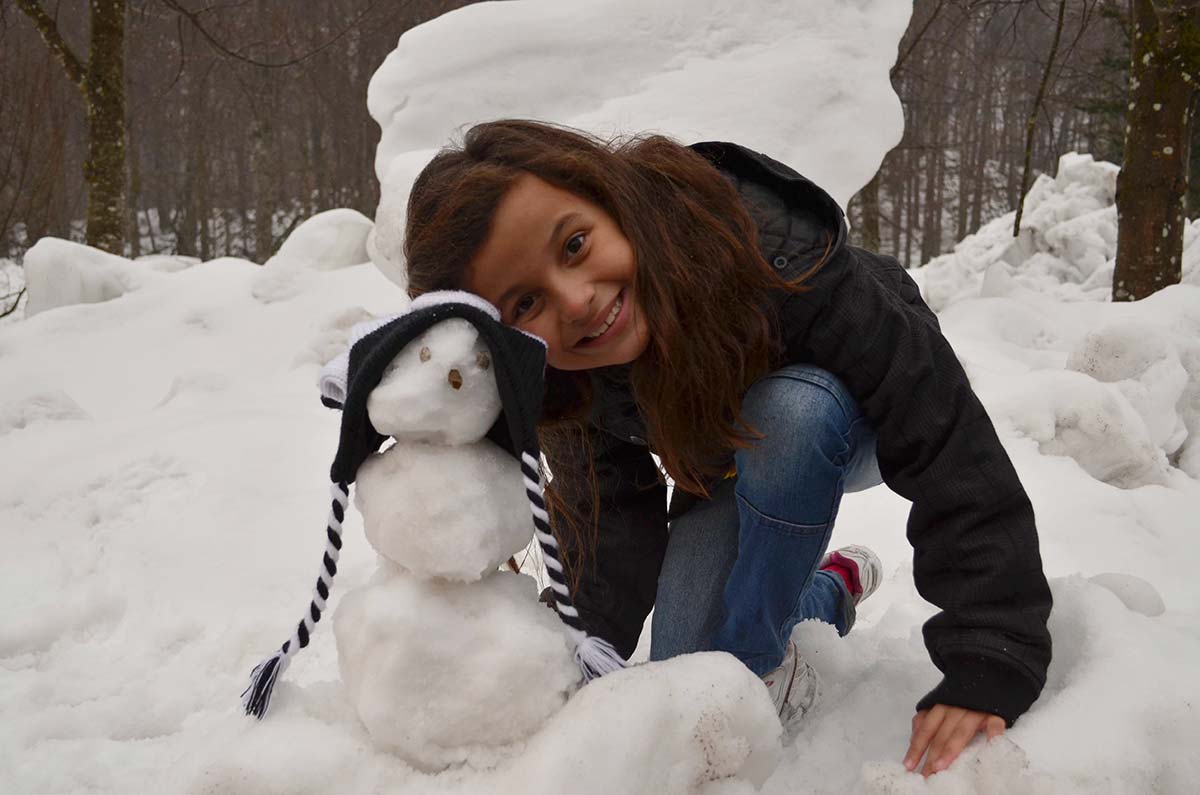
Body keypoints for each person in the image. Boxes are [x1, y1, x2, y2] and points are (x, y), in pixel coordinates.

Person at [400, 119, 1052, 777]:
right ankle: (831, 589)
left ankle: (763, 657)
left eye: (574, 244)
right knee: (692, 671)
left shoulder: (769, 248)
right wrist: (566, 664)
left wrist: (991, 647)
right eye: (524, 303)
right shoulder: (562, 369)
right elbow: (612, 523)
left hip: (862, 413)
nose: (575, 301)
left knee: (787, 419)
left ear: (608, 199)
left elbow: (941, 433)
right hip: (721, 450)